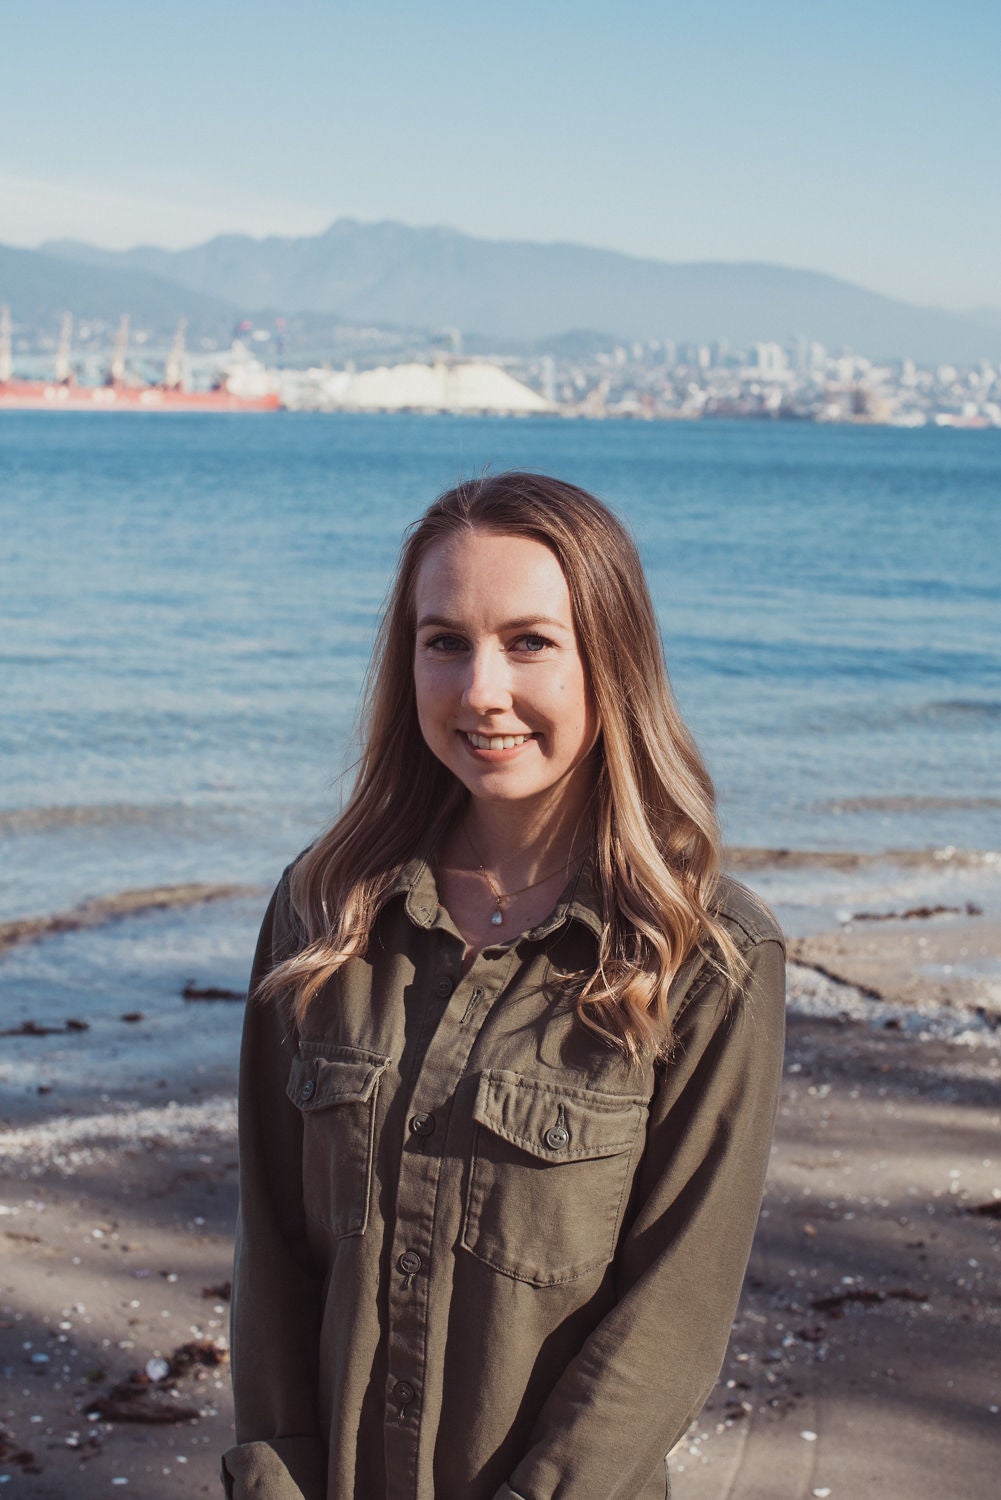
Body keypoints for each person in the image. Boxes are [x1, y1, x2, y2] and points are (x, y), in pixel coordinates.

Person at [221, 472, 785, 1500]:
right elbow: (270, 1254)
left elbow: (673, 1312)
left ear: (608, 664)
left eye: (528, 642)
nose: (481, 689)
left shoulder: (705, 955)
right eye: (445, 642)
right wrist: (272, 1478)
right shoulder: (323, 913)